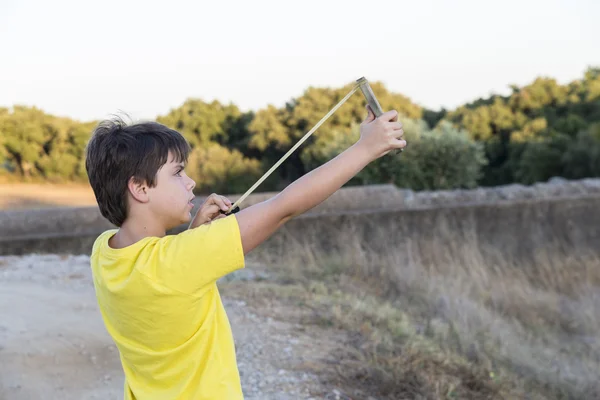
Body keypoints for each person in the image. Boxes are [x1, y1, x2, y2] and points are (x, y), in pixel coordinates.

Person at [85, 105, 406, 399]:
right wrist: (366, 148)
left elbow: (162, 283)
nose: (191, 182)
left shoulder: (104, 253)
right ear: (140, 188)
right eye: (178, 172)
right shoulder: (178, 261)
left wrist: (195, 235)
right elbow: (284, 207)